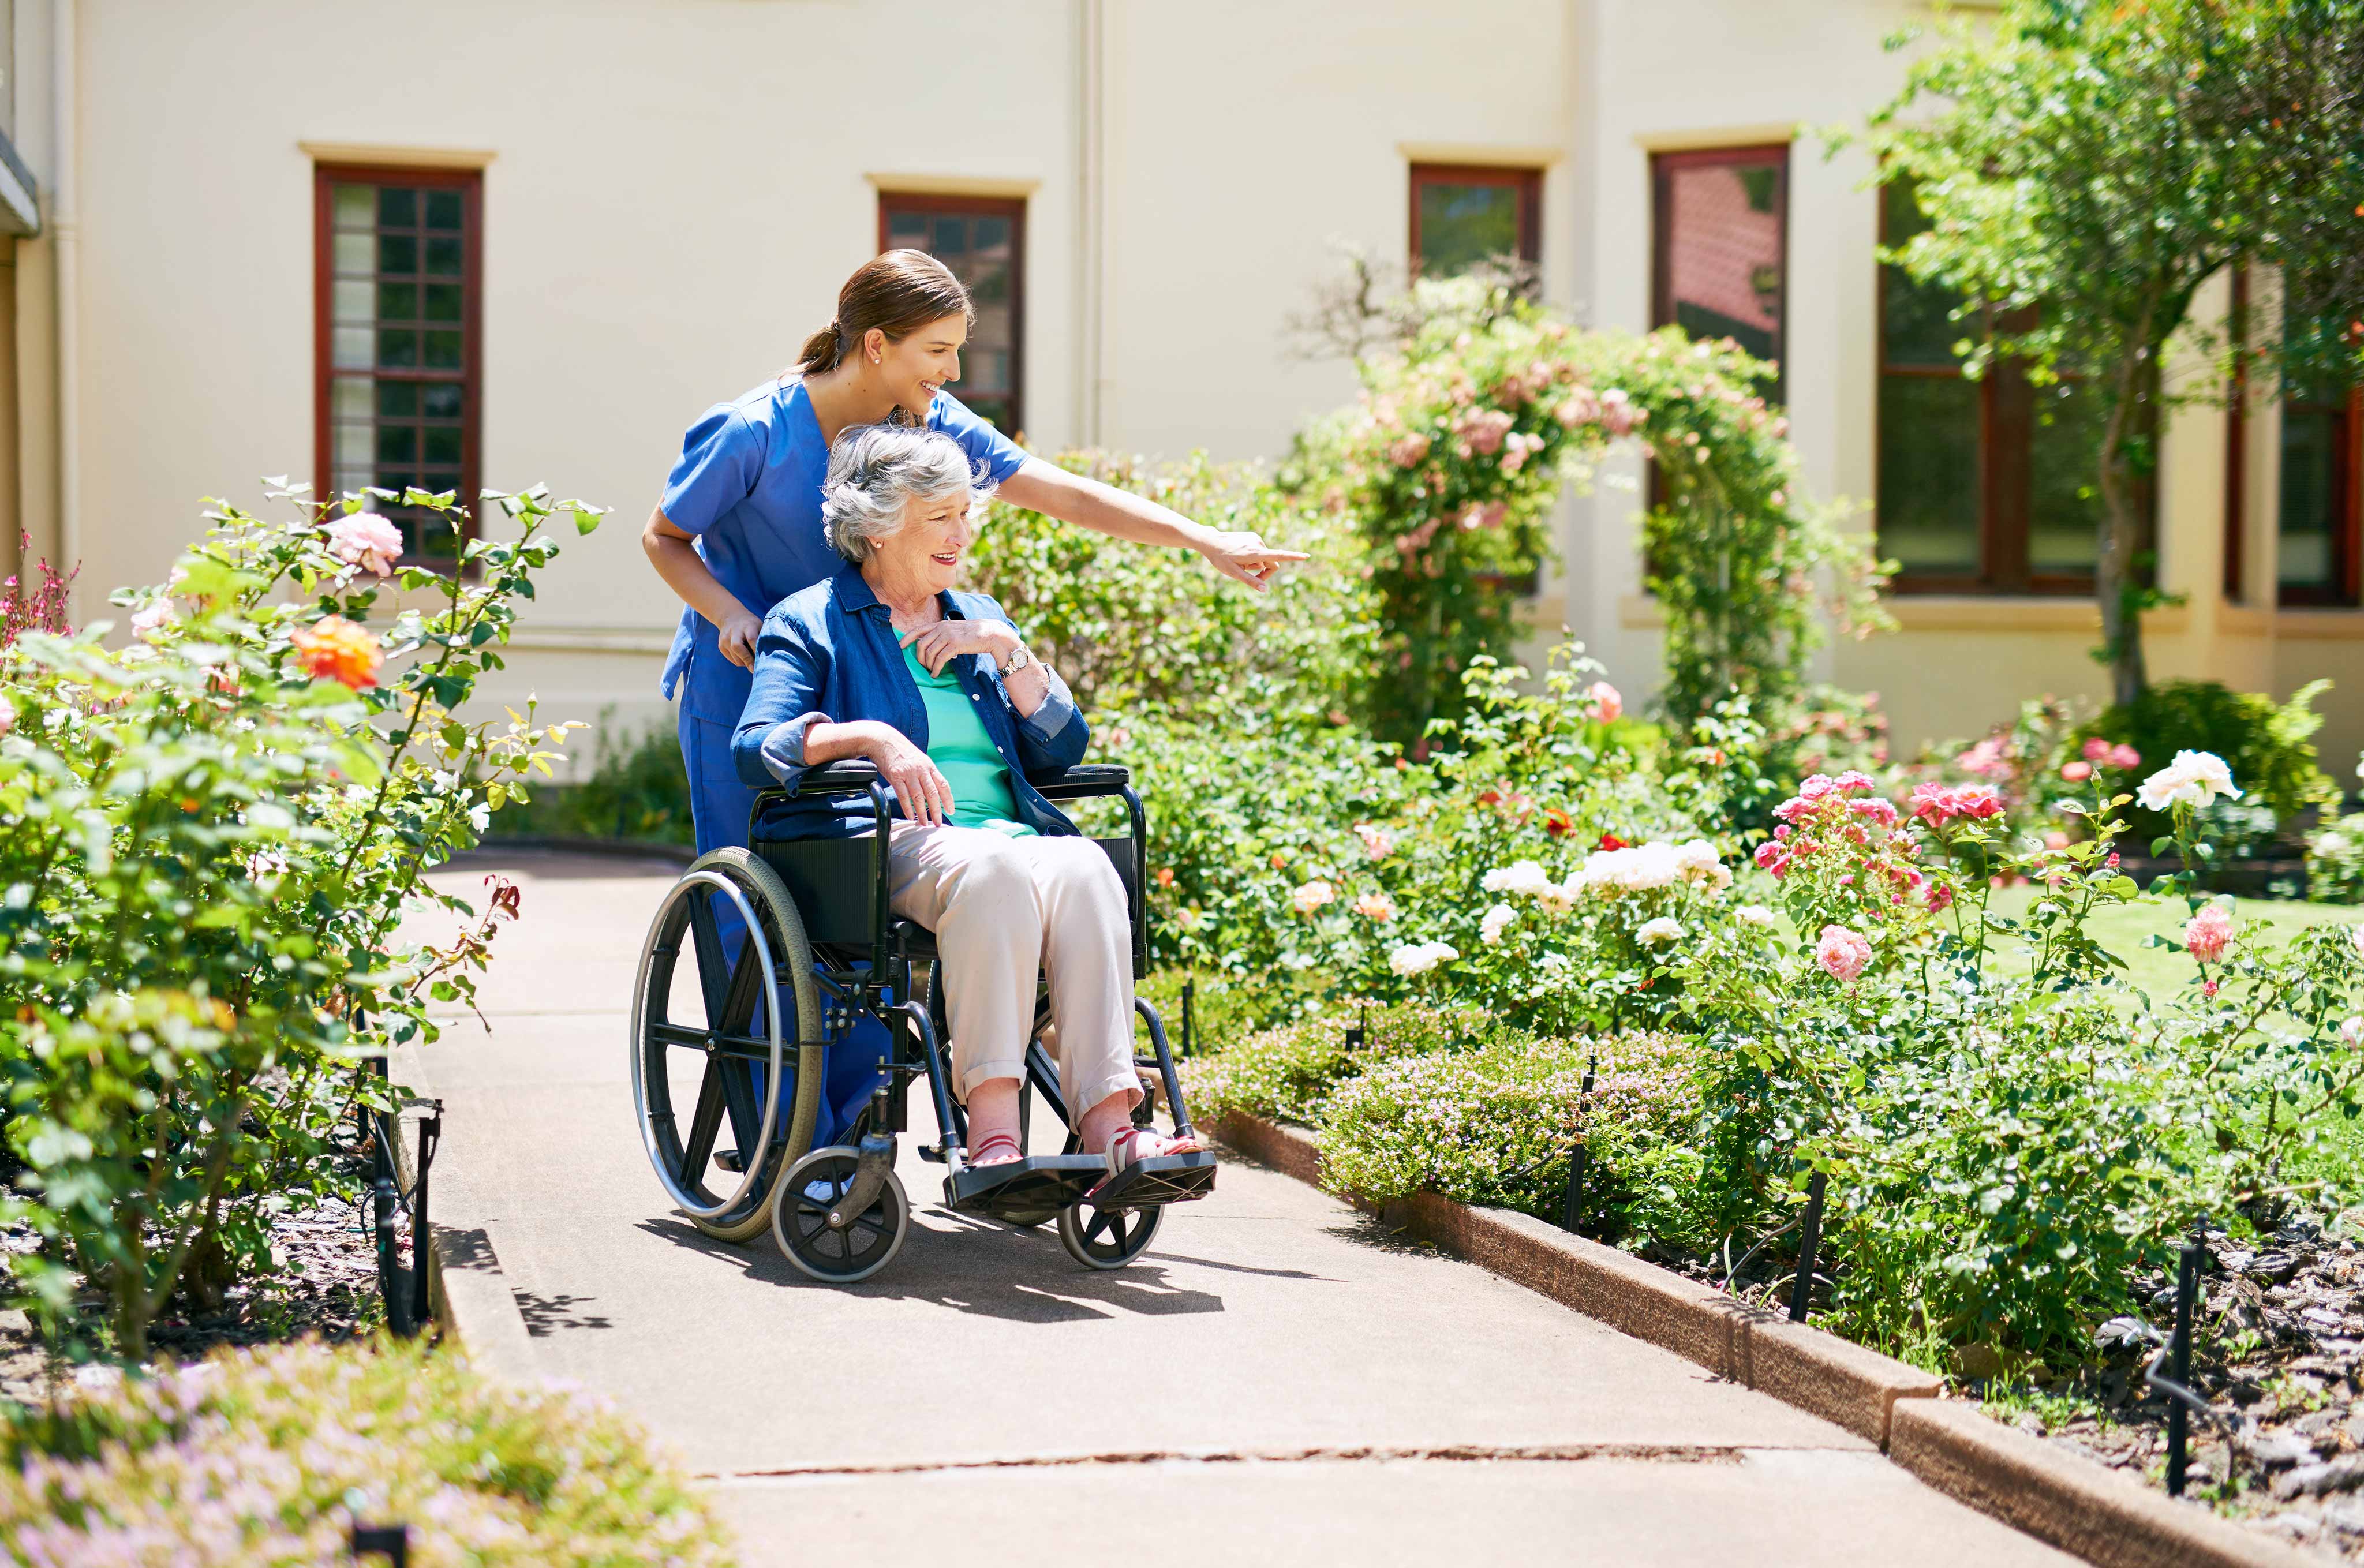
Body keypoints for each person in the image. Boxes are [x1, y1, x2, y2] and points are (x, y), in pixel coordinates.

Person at [644, 248, 1304, 866]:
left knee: (846, 905)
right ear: (876, 345)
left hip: (864, 676)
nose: (953, 371)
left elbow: (1058, 491)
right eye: (937, 350)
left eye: (957, 351)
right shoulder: (749, 430)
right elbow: (664, 536)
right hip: (750, 673)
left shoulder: (929, 415)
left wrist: (1204, 538)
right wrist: (729, 613)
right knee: (745, 896)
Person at [734, 424, 1202, 1177]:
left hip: (1009, 838)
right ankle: (992, 1136)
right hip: (897, 841)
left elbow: (1062, 748)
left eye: (965, 513)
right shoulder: (812, 620)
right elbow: (758, 745)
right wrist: (871, 740)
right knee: (992, 870)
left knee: (1085, 866)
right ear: (880, 528)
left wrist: (1003, 647)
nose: (962, 534)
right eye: (940, 517)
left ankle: (1113, 1128)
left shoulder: (977, 613)